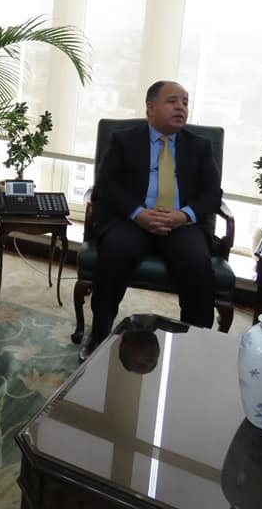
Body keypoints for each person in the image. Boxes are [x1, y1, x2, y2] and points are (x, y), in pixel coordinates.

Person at [80, 80, 222, 362]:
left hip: (181, 224)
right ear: (150, 107)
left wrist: (184, 215)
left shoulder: (199, 146)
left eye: (185, 102)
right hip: (132, 220)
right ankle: (99, 334)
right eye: (172, 101)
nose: (181, 107)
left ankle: (192, 345)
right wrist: (138, 213)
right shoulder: (124, 140)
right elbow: (106, 185)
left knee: (197, 265)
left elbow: (212, 194)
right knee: (115, 253)